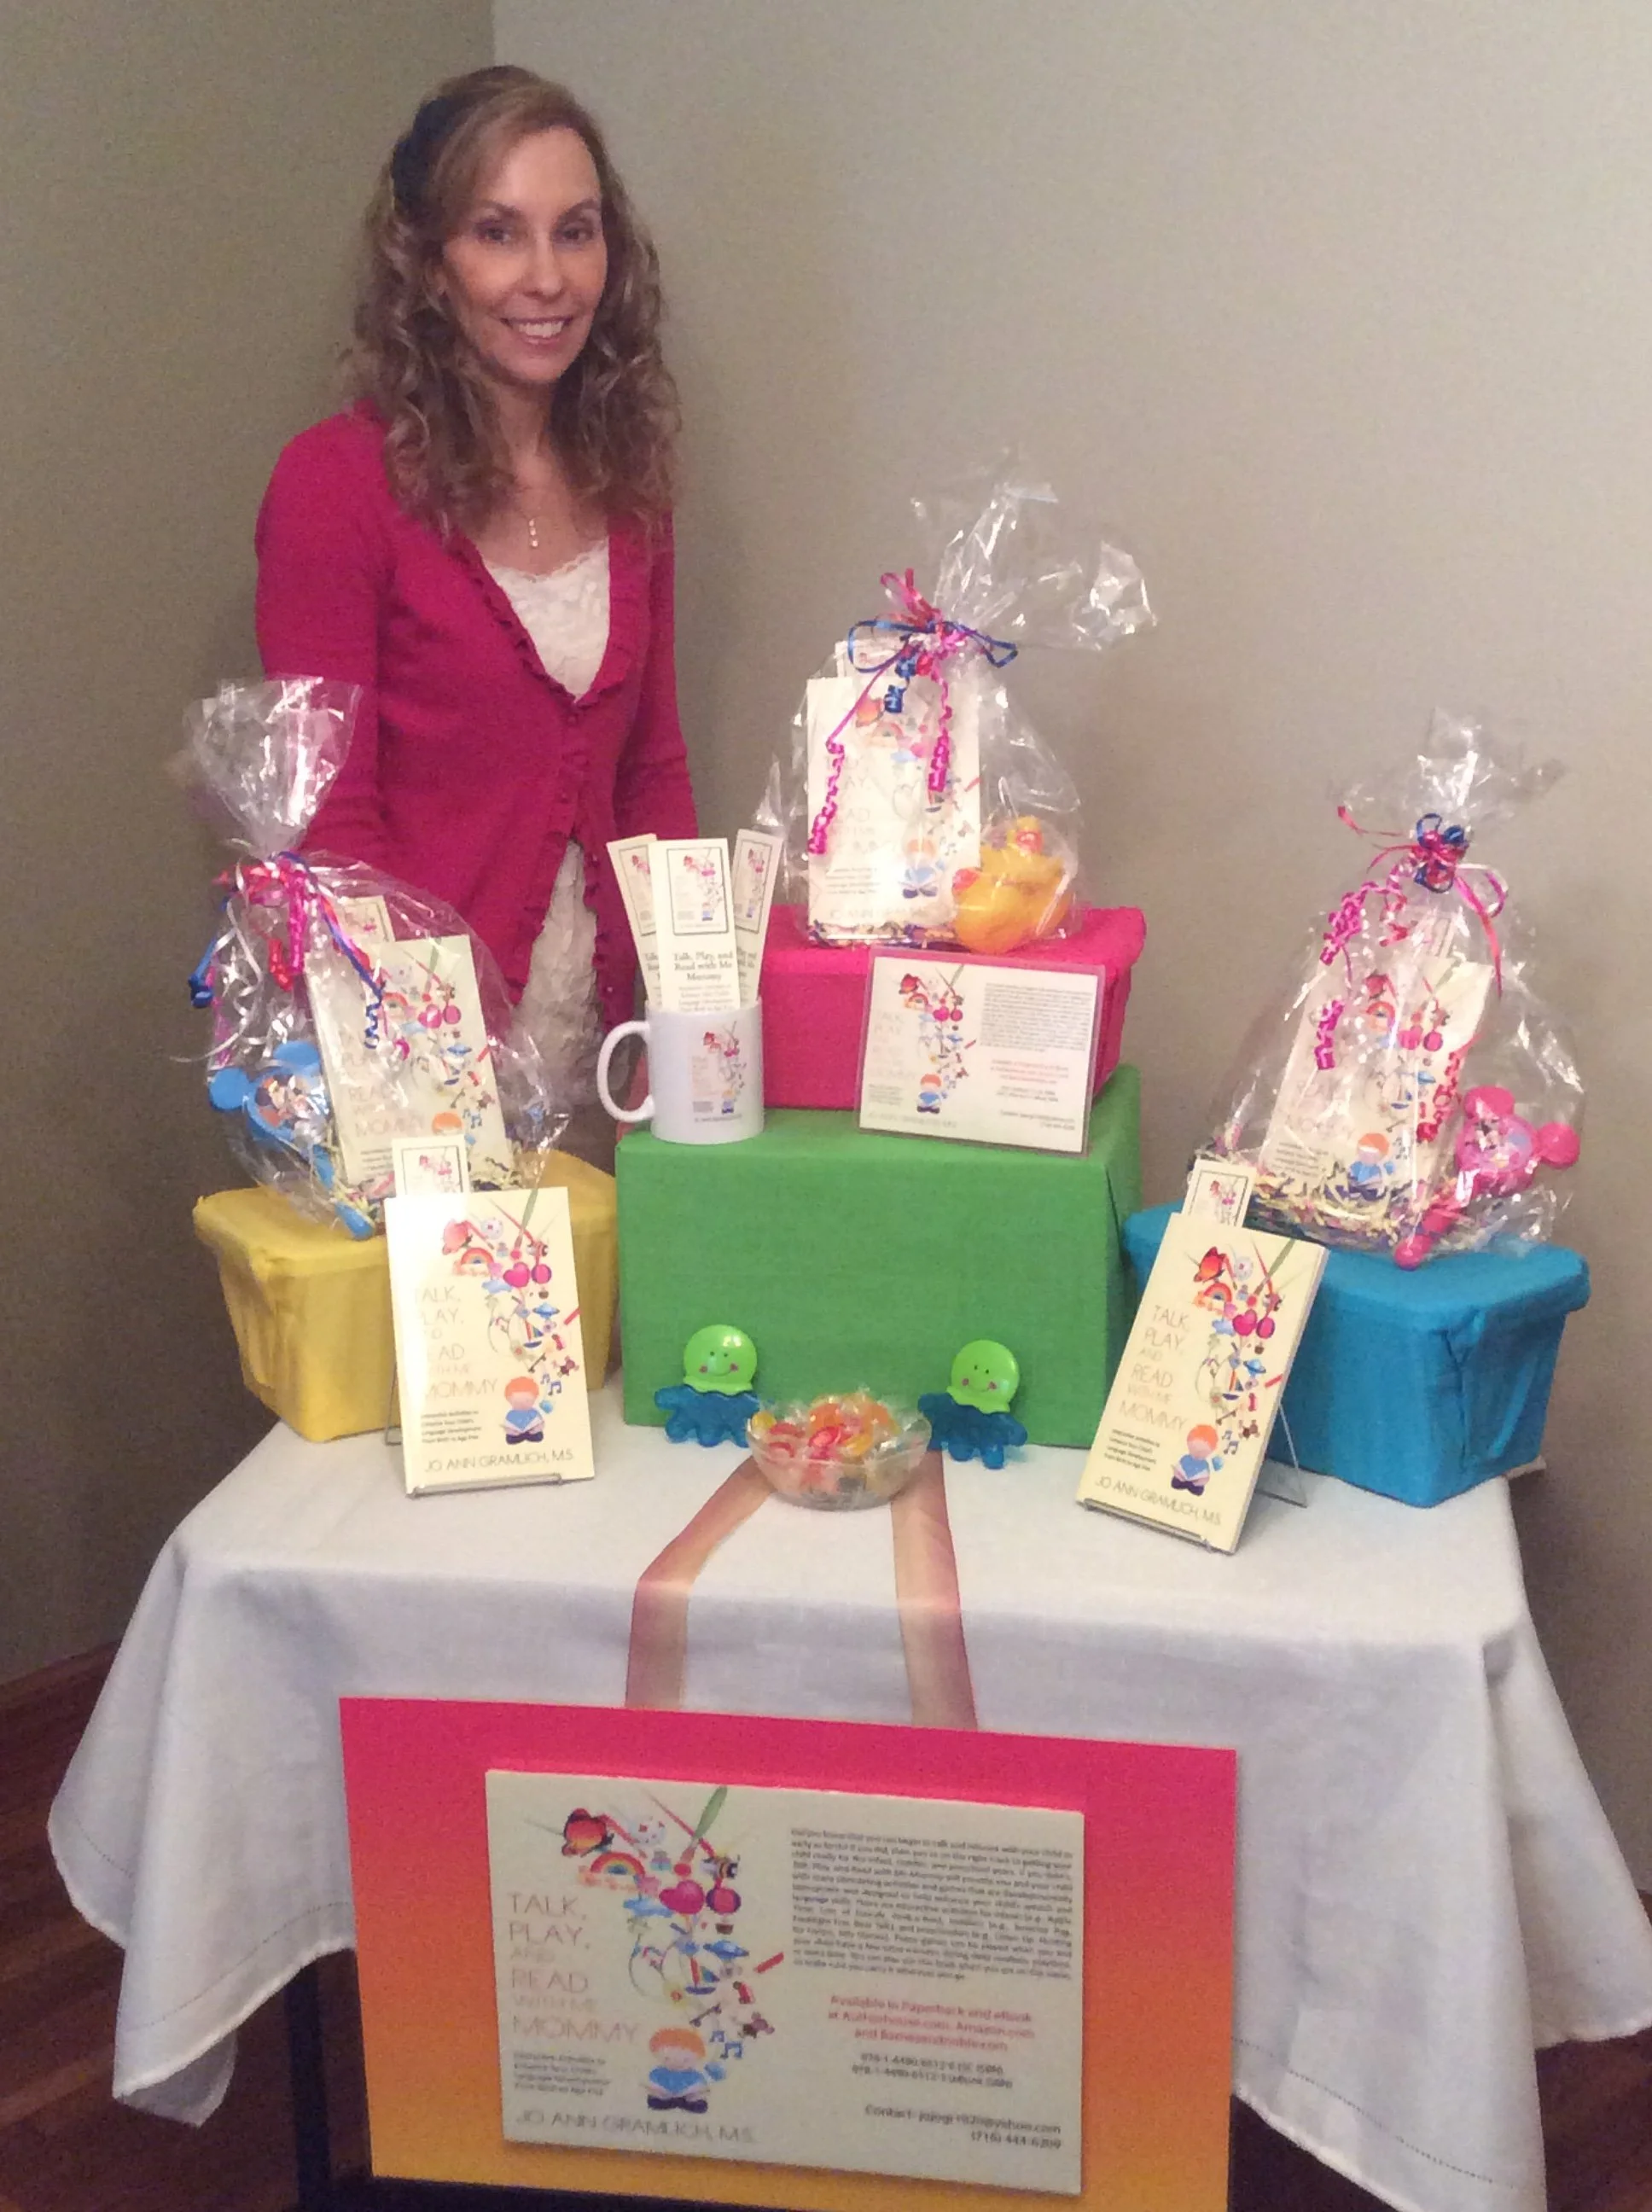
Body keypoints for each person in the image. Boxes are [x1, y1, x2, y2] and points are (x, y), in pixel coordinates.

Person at [254, 66, 696, 1159]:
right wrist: (433, 1071)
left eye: (576, 232)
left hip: (604, 1060)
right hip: (414, 1069)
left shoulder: (627, 482)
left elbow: (651, 768)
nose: (548, 278)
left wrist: (688, 1008)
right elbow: (329, 827)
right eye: (499, 233)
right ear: (427, 262)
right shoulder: (335, 484)